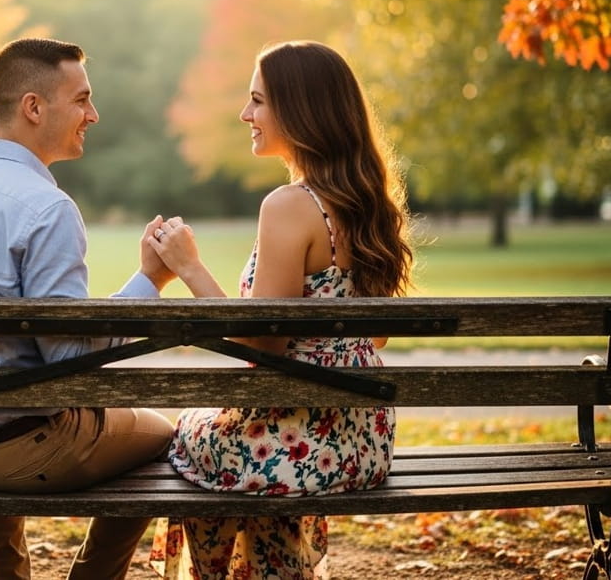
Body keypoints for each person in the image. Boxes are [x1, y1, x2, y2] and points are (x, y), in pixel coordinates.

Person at [0, 37, 176, 580]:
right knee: (163, 437)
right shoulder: (47, 208)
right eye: (82, 99)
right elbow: (69, 360)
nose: (93, 114)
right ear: (33, 107)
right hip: (27, 455)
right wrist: (149, 281)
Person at [146, 40, 414, 579]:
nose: (245, 114)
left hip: (301, 442)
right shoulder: (366, 202)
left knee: (183, 437)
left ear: (299, 110)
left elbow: (261, 345)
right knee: (215, 429)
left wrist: (189, 267)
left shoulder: (290, 205)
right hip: (364, 443)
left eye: (258, 101)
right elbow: (375, 338)